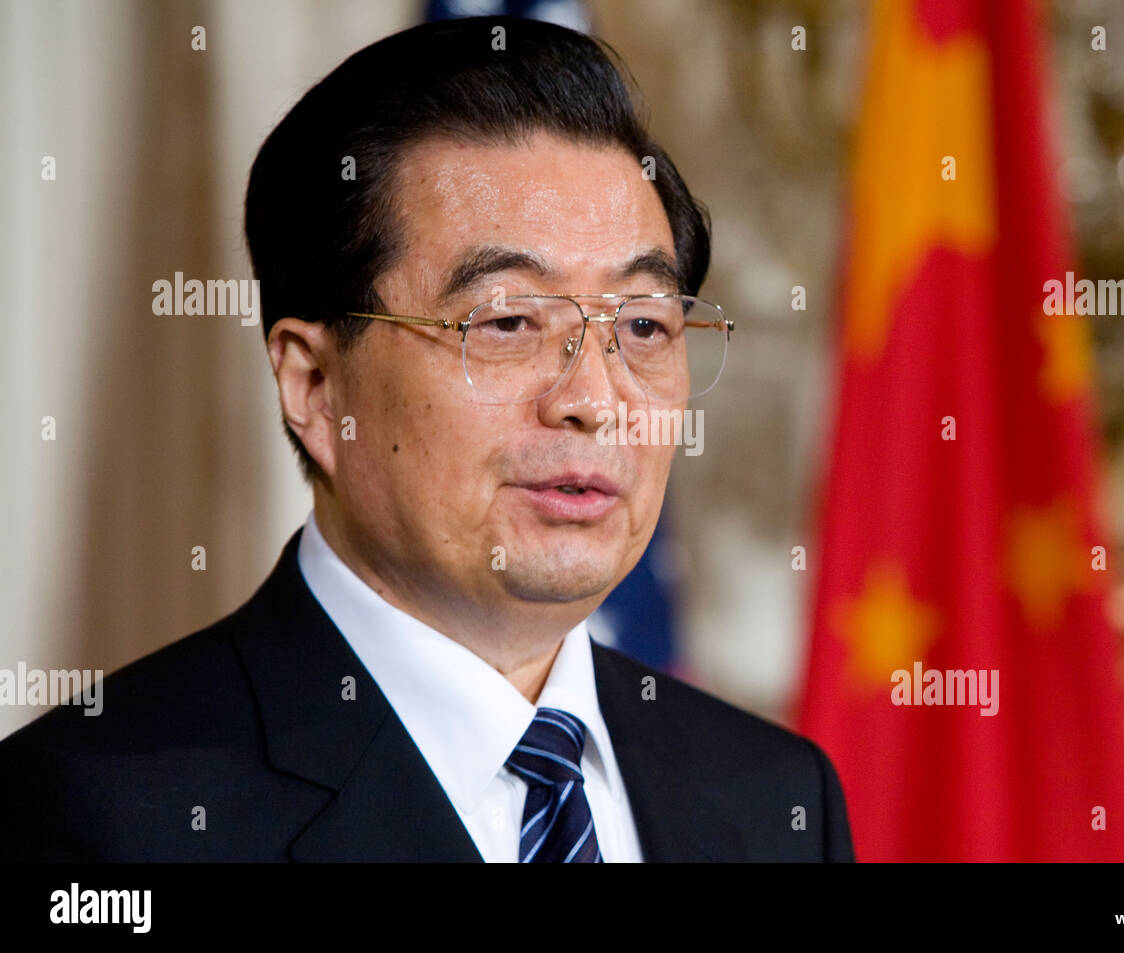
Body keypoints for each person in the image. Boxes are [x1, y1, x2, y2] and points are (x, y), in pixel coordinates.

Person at [0, 16, 853, 862]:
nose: (596, 399)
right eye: (510, 319)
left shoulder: (776, 798)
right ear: (313, 385)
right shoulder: (95, 816)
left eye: (641, 325)